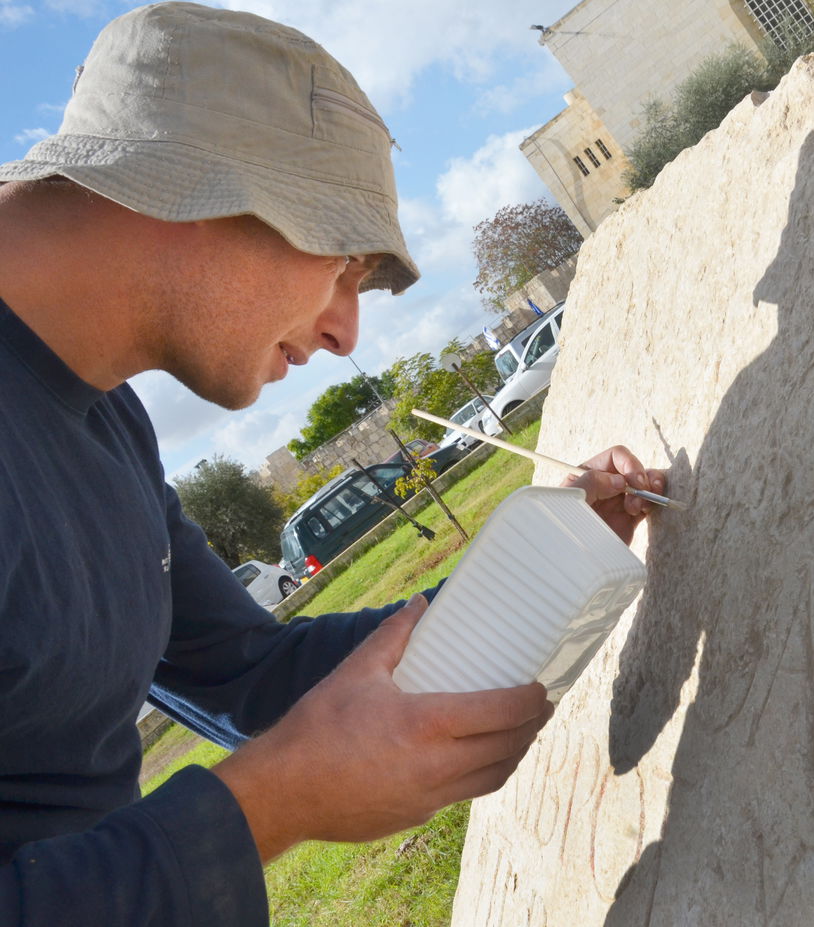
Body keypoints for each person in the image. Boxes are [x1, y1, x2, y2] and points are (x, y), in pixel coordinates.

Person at [0, 4, 664, 925]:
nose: (346, 331)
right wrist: (272, 803)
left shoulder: (110, 420)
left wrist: (533, 569)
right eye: (344, 265)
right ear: (192, 191)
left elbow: (250, 671)